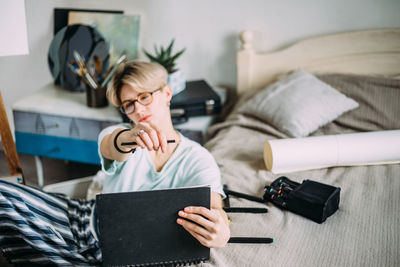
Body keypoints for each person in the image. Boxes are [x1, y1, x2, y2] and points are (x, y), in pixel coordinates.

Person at [0, 61, 230, 266]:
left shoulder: (198, 158)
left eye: (144, 96)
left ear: (167, 93)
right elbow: (113, 144)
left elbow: (214, 206)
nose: (138, 109)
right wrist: (131, 138)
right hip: (84, 223)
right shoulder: (118, 135)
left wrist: (220, 229)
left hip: (127, 254)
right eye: (128, 104)